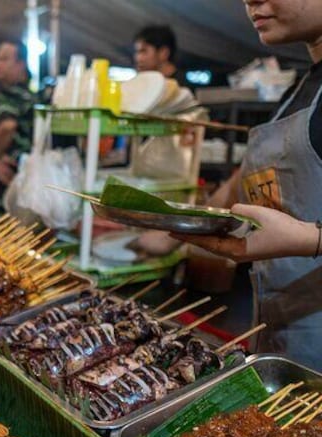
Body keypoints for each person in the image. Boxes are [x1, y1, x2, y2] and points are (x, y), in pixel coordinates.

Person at [136, 0, 322, 369]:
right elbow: (258, 171)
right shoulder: (301, 86)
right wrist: (185, 221)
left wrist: (308, 239)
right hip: (283, 329)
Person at [0, 41, 37, 208]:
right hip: (20, 180)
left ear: (20, 64)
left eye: (4, 59)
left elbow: (7, 126)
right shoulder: (30, 95)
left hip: (3, 180)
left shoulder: (11, 95)